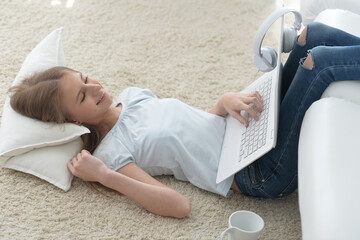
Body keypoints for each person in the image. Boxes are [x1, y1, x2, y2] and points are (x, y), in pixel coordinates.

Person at [8, 22, 360, 218]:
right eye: (82, 95)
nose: (95, 87)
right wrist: (104, 177)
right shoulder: (113, 154)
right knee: (320, 61)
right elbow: (179, 206)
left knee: (308, 37)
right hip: (259, 172)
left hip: (248, 131)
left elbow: (188, 132)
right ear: (71, 121)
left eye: (85, 78)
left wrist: (221, 104)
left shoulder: (130, 95)